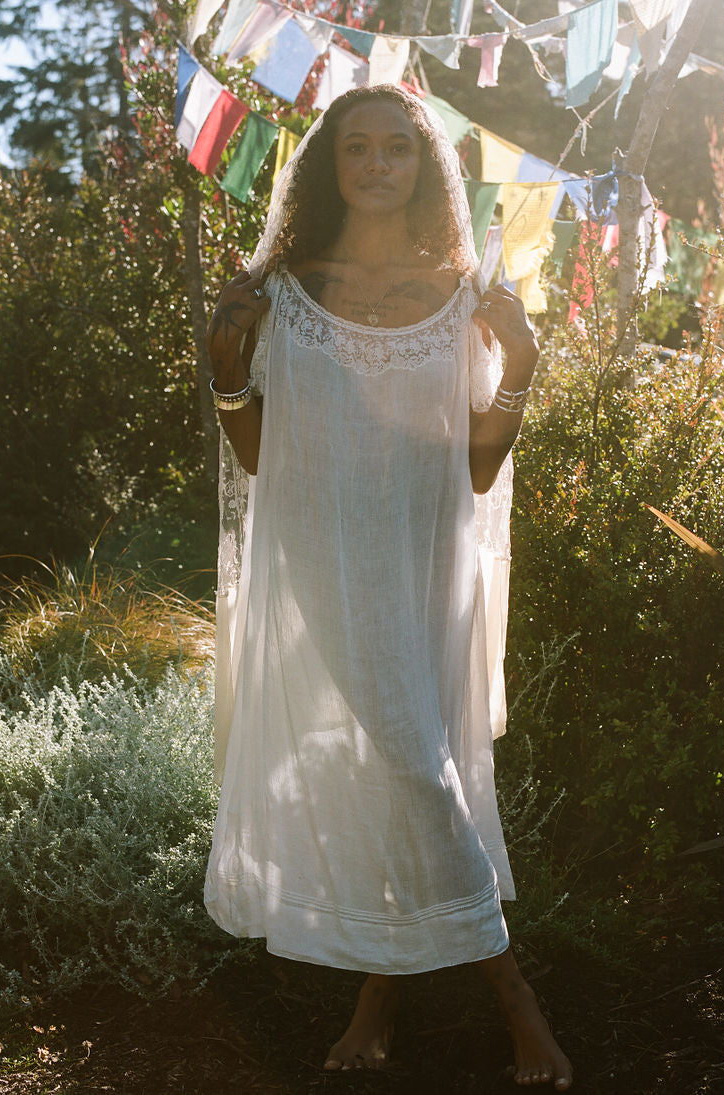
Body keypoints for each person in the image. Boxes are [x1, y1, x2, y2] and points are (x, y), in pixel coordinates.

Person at [203, 83, 572, 1090]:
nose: (375, 167)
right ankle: (515, 1001)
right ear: (327, 165)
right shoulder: (281, 289)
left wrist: (523, 364)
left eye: (395, 150)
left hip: (426, 559)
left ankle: (378, 998)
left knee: (403, 764)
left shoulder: (461, 291)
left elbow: (477, 470)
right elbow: (263, 455)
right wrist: (227, 371)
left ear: (426, 166)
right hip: (325, 560)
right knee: (412, 762)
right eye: (355, 149)